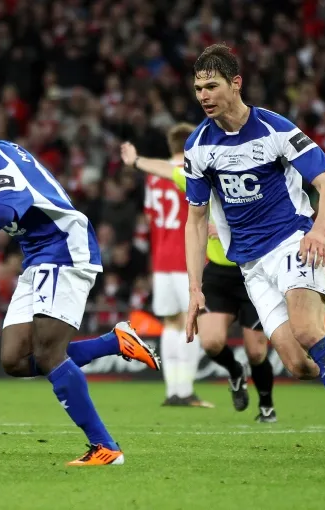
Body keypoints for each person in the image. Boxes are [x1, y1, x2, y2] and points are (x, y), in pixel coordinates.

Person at [183, 44, 325, 459]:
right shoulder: (198, 147)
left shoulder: (276, 130)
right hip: (249, 264)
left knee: (307, 330)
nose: (204, 96)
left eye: (212, 86)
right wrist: (195, 287)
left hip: (292, 241)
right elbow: (195, 221)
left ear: (236, 83)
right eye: (198, 89)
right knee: (301, 366)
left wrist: (319, 231)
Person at [0, 97, 161, 466]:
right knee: (15, 359)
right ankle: (115, 342)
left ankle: (105, 447)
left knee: (49, 354)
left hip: (63, 249)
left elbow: (2, 209)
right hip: (38, 256)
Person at [123, 128, 276, 422]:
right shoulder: (197, 172)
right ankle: (187, 389)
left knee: (252, 349)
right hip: (198, 264)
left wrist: (136, 161)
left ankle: (181, 390)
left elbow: (165, 171)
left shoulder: (246, 178)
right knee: (201, 335)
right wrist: (136, 160)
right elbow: (174, 171)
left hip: (227, 268)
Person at [121, 124, 212, 409]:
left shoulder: (154, 178)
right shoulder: (193, 172)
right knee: (191, 322)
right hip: (188, 258)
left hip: (161, 260)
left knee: (170, 324)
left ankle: (173, 390)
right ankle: (186, 391)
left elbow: (150, 219)